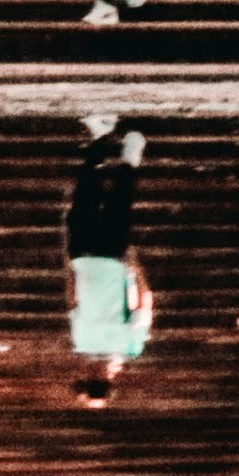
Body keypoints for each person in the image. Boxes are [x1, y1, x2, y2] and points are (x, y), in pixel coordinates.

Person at [68, 117, 151, 405]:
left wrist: (70, 269)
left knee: (83, 200)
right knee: (118, 202)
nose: (93, 374)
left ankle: (99, 139)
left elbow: (74, 304)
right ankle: (130, 155)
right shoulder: (129, 346)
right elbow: (144, 305)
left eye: (89, 380)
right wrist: (137, 268)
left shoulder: (81, 344)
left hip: (83, 261)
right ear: (108, 379)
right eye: (98, 381)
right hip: (114, 263)